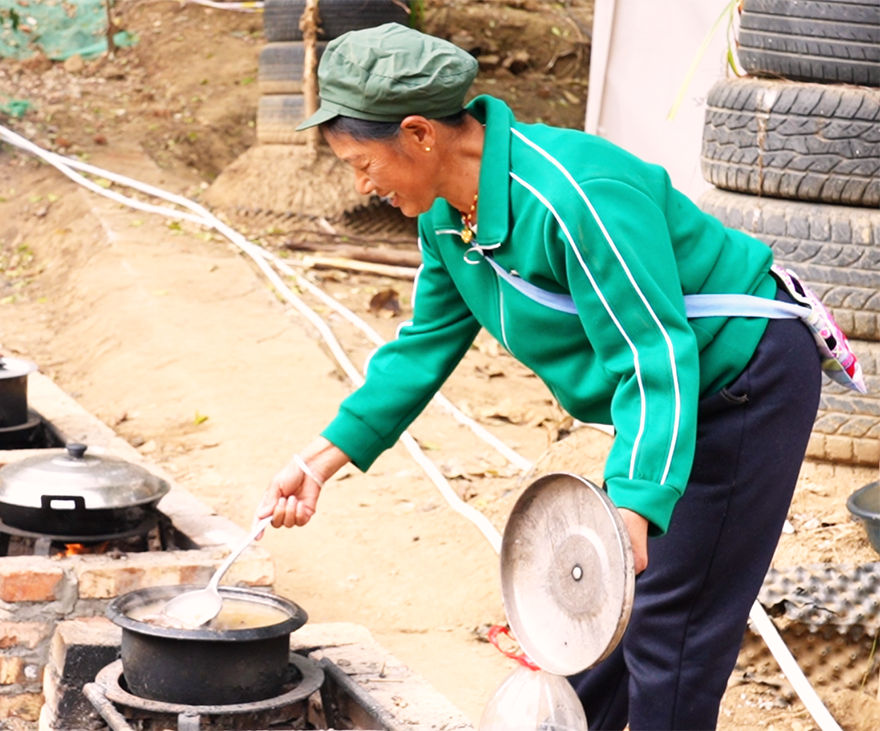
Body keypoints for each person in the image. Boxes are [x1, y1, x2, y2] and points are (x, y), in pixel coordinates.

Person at [257, 23, 855, 731]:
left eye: (363, 164)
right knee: (593, 616)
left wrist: (635, 501)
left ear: (418, 134)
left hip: (740, 375)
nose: (363, 186)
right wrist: (318, 462)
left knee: (672, 629)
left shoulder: (574, 197)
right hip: (662, 398)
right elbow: (422, 348)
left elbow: (653, 352)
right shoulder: (447, 218)